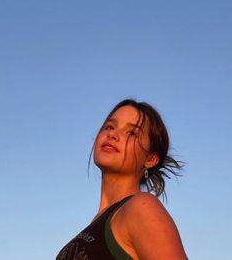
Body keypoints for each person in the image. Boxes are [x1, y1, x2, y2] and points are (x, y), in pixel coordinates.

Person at [56, 99, 188, 260]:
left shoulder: (142, 208)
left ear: (151, 159)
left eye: (132, 133)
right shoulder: (97, 223)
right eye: (110, 127)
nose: (112, 134)